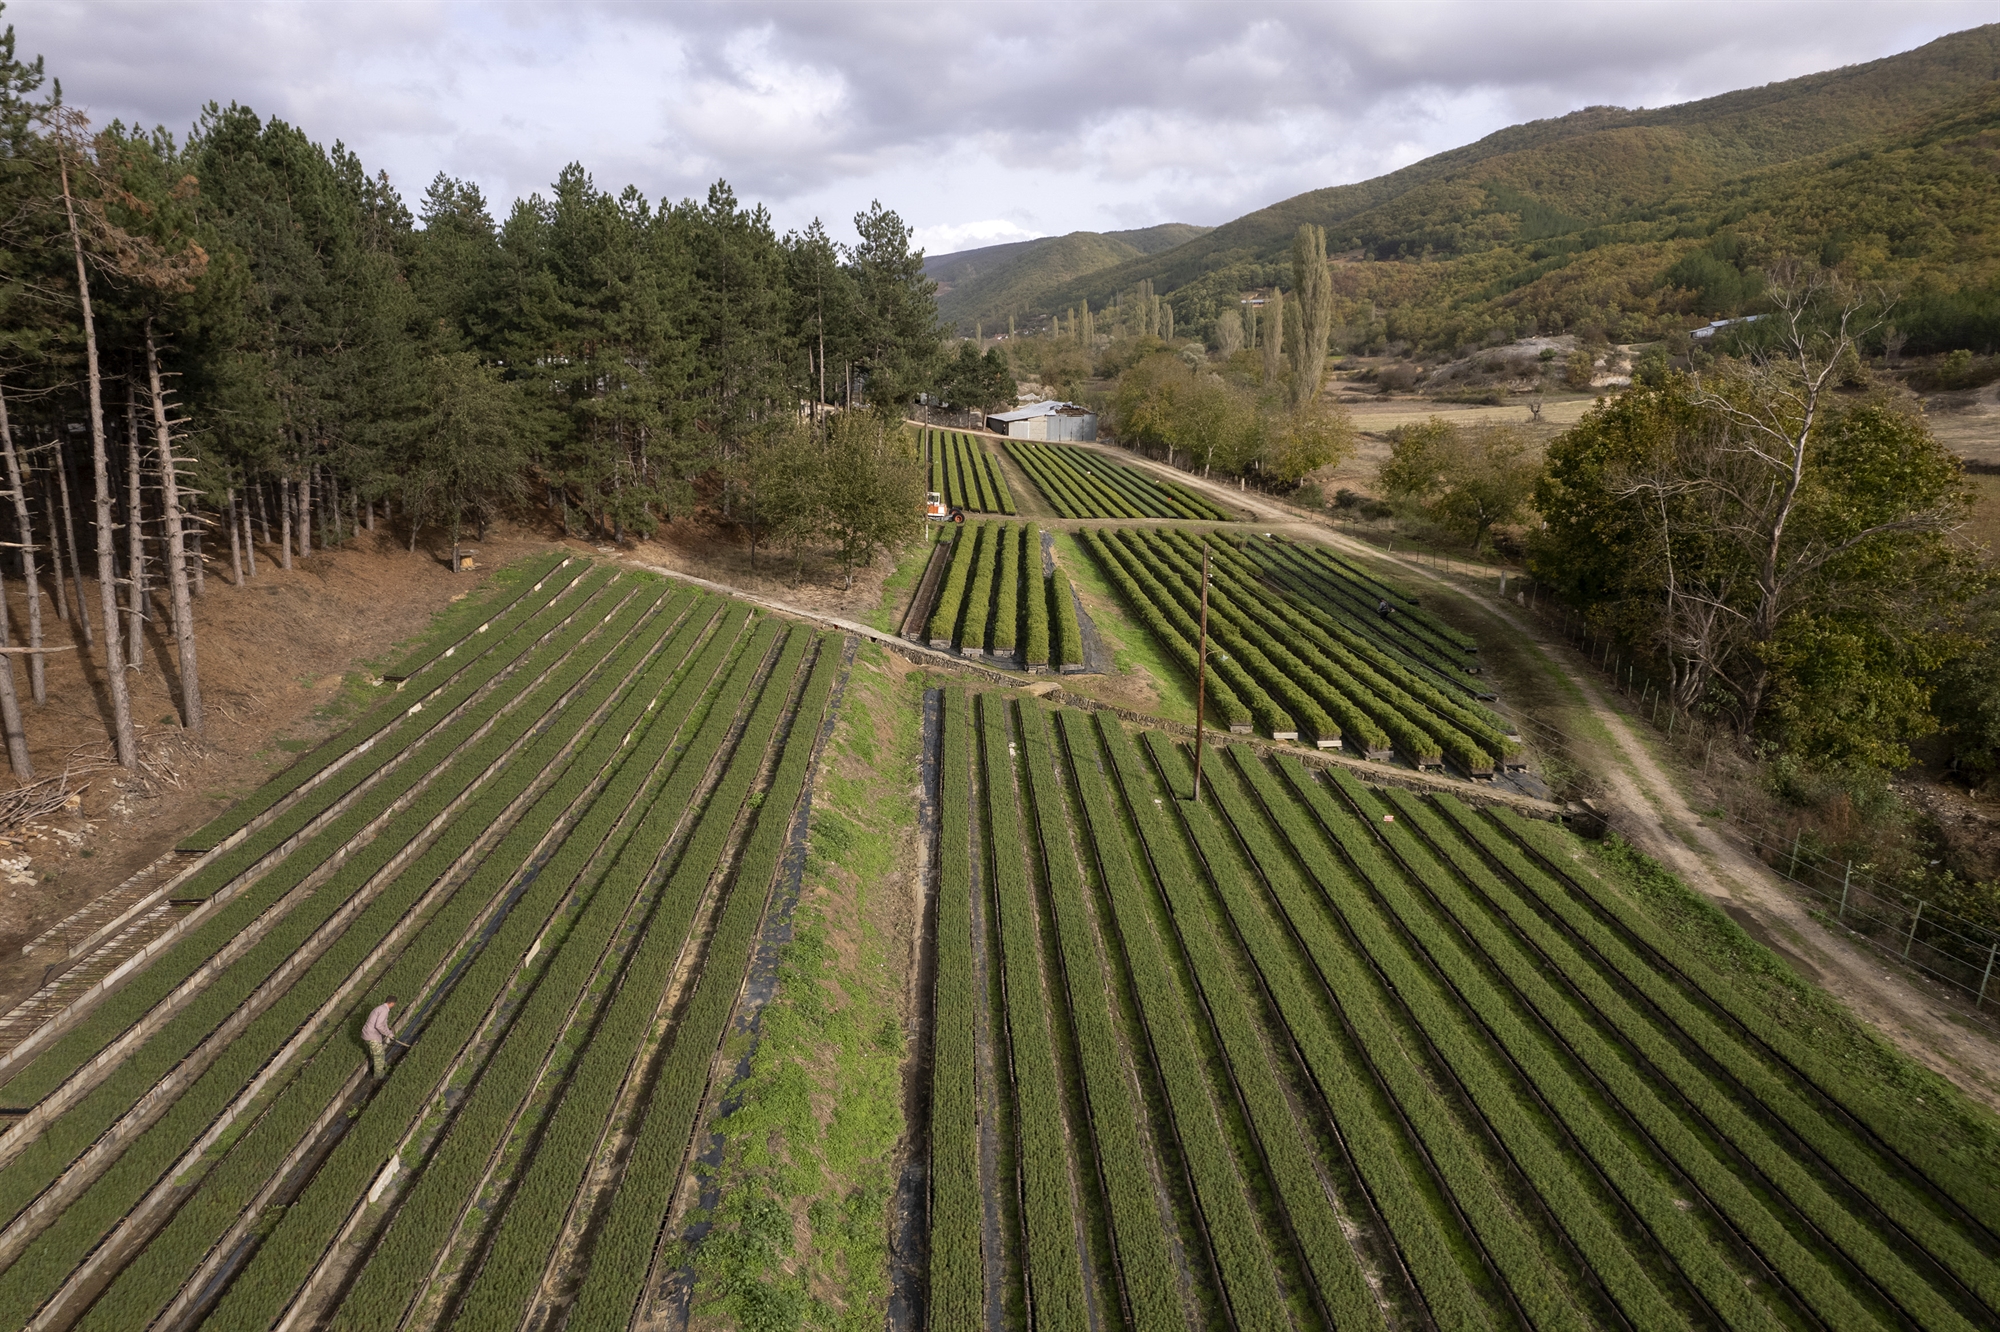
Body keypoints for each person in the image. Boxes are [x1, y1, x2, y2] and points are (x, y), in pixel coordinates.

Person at [362, 996, 398, 1079]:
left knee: (376, 1053)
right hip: (372, 1036)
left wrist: (390, 1034)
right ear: (392, 1003)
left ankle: (378, 1067)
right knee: (379, 1056)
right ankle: (379, 1076)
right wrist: (387, 1034)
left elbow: (384, 1024)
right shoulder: (384, 1011)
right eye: (394, 1004)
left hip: (367, 1034)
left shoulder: (380, 1008)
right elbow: (379, 1025)